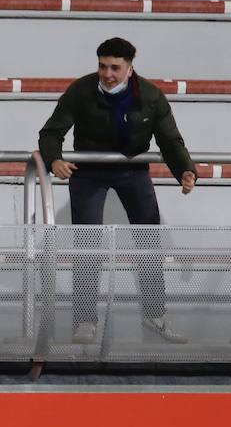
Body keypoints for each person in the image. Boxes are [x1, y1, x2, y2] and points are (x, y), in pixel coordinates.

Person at [38, 37, 197, 346]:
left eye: (114, 67)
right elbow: (51, 131)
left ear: (129, 67)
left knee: (150, 244)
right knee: (87, 247)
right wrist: (54, 159)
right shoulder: (81, 90)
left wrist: (186, 171)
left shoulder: (151, 96)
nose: (107, 73)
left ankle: (155, 315)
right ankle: (85, 320)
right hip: (89, 172)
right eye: (102, 66)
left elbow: (170, 140)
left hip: (132, 170)